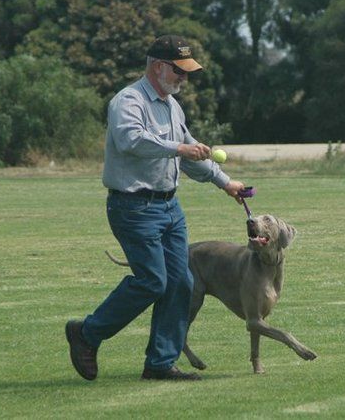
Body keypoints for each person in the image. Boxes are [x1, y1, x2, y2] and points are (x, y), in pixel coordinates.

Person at [65, 35, 244, 381]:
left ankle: (160, 363)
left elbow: (191, 155)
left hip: (169, 207)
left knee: (181, 282)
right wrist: (178, 148)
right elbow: (131, 140)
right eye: (179, 71)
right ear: (159, 67)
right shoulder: (128, 101)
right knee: (152, 281)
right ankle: (86, 333)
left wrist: (225, 183)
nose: (184, 79)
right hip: (133, 207)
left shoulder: (173, 106)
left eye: (187, 72)